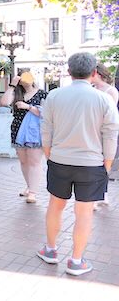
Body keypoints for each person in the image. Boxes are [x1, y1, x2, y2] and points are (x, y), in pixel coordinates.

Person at [36, 53, 119, 276]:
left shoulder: (54, 96)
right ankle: (76, 260)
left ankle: (51, 249)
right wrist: (107, 164)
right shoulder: (104, 99)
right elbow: (111, 134)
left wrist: (49, 155)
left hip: (60, 160)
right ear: (94, 73)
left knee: (55, 205)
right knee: (84, 212)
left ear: (69, 72)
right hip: (92, 164)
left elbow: (46, 129)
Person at [0, 72, 48, 204]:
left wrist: (28, 107)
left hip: (35, 132)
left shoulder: (42, 94)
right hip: (18, 129)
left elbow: (47, 113)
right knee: (23, 161)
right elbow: (4, 102)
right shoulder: (17, 93)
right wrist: (12, 85)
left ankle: (33, 192)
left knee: (34, 161)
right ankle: (29, 186)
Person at [91, 63, 119, 209]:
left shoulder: (111, 91)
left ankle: (100, 193)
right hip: (92, 130)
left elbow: (110, 112)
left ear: (97, 73)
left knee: (105, 162)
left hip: (105, 131)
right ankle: (100, 193)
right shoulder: (91, 90)